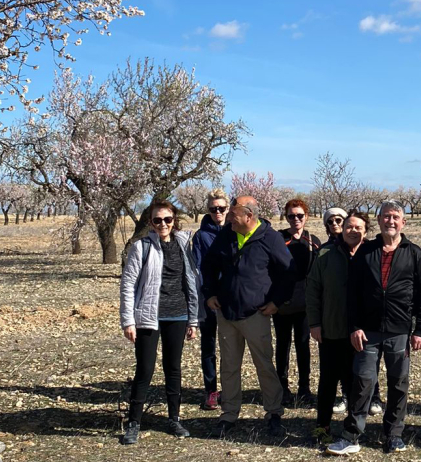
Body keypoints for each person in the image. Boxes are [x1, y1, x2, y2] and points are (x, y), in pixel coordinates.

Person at [326, 201, 421, 455]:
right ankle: (351, 435)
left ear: (403, 222)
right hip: (368, 331)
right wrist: (354, 327)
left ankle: (393, 434)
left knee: (398, 383)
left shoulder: (414, 253)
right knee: (362, 381)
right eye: (386, 217)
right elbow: (353, 292)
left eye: (395, 217)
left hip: (400, 330)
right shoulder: (366, 251)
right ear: (379, 220)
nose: (390, 221)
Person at [202, 195, 294, 437]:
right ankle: (229, 414)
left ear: (249, 216)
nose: (228, 219)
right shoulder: (226, 234)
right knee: (229, 366)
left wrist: (276, 301)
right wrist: (209, 293)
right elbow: (208, 265)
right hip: (226, 313)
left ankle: (274, 412)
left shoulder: (270, 238)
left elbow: (288, 273)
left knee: (264, 364)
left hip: (256, 314)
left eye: (233, 215)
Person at [119, 200, 199, 445]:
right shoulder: (141, 247)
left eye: (167, 219)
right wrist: (128, 320)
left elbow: (192, 281)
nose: (163, 224)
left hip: (178, 315)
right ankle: (133, 422)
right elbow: (128, 285)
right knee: (145, 369)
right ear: (151, 222)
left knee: (173, 369)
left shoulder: (184, 244)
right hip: (147, 317)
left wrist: (193, 319)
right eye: (157, 220)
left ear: (174, 220)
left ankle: (174, 418)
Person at [307, 210, 368, 444]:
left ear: (365, 229)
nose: (352, 230)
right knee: (328, 381)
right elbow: (312, 290)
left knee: (357, 382)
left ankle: (352, 428)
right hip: (331, 329)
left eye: (357, 226)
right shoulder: (325, 254)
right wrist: (314, 323)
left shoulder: (370, 253)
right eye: (348, 227)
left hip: (362, 332)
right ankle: (322, 426)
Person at [276, 198, 320, 407]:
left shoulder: (313, 241)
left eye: (300, 215)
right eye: (291, 216)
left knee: (304, 346)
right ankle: (282, 388)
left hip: (305, 305)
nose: (296, 220)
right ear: (286, 217)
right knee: (282, 346)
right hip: (282, 304)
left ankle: (304, 388)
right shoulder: (277, 239)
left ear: (306, 217)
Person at [191, 188, 228, 412]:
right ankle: (211, 390)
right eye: (214, 209)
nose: (218, 212)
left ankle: (230, 389)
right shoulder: (201, 236)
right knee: (209, 346)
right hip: (209, 299)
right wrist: (207, 294)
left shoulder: (234, 231)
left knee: (230, 347)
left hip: (231, 299)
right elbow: (197, 268)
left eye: (222, 208)